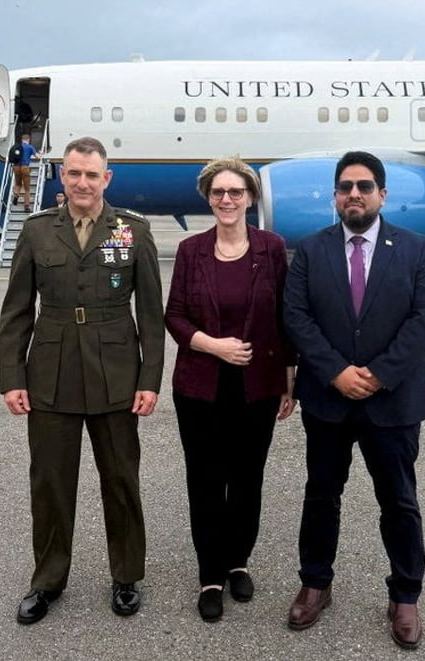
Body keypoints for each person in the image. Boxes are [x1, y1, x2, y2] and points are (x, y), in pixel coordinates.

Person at [0, 136, 164, 625]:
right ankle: (47, 580)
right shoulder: (37, 231)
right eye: (74, 173)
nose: (83, 182)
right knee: (50, 484)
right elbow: (16, 312)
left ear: (106, 179)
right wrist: (12, 377)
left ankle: (127, 576)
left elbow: (151, 315)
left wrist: (149, 379)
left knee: (121, 480)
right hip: (50, 374)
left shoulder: (133, 231)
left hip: (116, 375)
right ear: (62, 177)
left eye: (92, 174)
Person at [282, 151, 425, 649]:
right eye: (346, 186)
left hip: (392, 402)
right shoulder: (310, 251)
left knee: (398, 500)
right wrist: (335, 372)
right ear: (335, 195)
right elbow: (296, 316)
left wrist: (376, 375)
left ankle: (405, 594)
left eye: (365, 186)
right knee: (321, 495)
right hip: (329, 400)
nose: (355, 193)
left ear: (382, 194)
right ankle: (315, 583)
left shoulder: (416, 249)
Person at [164, 157, 296, 622]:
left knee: (247, 479)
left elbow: (285, 317)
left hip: (257, 385)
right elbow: (174, 315)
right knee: (205, 480)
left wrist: (289, 377)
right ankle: (210, 575)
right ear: (208, 198)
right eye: (218, 192)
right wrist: (212, 346)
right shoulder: (191, 250)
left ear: (250, 198)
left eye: (235, 192)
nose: (226, 200)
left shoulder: (272, 248)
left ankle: (238, 560)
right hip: (200, 387)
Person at [12, 133, 38, 213]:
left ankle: (16, 195)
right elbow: (37, 157)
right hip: (25, 167)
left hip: (16, 167)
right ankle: (26, 206)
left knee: (18, 184)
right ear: (28, 140)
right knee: (27, 188)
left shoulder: (16, 147)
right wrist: (41, 154)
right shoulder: (30, 147)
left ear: (22, 140)